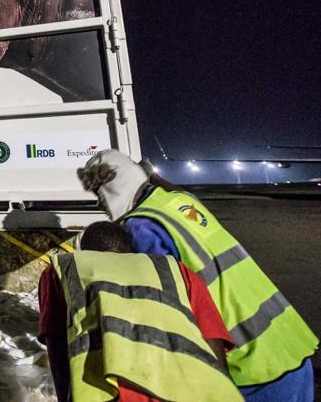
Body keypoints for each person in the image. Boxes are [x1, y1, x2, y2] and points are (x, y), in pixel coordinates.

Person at [77, 149, 318, 401]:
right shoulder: (180, 202)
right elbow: (171, 188)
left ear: (113, 188)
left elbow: (166, 315)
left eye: (98, 193)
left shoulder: (141, 228)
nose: (98, 203)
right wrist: (148, 174)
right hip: (288, 341)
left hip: (250, 366)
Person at [38, 220, 241, 402]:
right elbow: (212, 339)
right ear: (130, 250)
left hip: (113, 390)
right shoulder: (175, 269)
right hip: (194, 388)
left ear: (85, 250)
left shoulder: (65, 268)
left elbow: (56, 342)